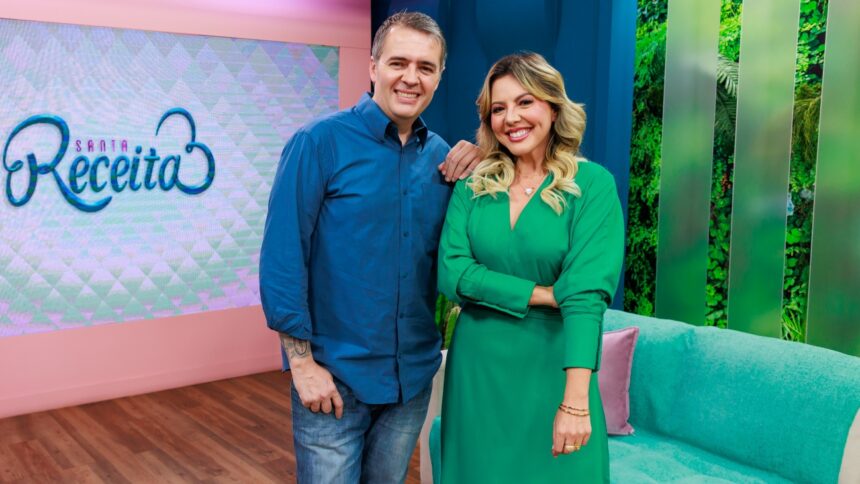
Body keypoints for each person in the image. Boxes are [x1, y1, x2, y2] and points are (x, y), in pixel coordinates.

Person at [259, 11, 480, 483]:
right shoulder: (318, 143)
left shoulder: (446, 161)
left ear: (440, 76)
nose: (411, 77)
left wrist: (489, 160)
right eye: (399, 62)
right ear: (373, 65)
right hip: (333, 380)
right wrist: (301, 366)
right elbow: (282, 259)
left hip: (411, 381)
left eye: (426, 66)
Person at [438, 52, 624, 483]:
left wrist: (575, 402)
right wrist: (540, 294)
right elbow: (452, 274)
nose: (511, 118)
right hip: (478, 373)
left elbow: (585, 297)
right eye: (498, 108)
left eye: (525, 102)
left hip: (553, 368)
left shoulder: (592, 185)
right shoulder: (474, 184)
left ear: (553, 108)